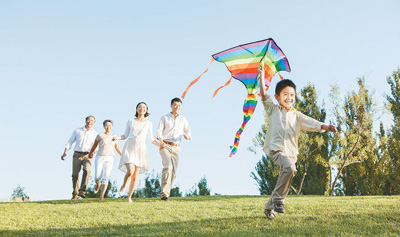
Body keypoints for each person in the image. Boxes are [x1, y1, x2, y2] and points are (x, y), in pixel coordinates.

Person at [258, 67, 337, 219]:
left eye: (292, 95)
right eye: (285, 95)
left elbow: (312, 123)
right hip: (277, 150)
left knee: (289, 171)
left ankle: (269, 207)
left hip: (291, 153)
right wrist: (261, 75)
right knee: (289, 168)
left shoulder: (297, 116)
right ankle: (279, 202)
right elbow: (263, 94)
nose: (289, 98)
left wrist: (326, 127)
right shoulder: (273, 110)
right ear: (277, 96)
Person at [114, 102, 159, 203]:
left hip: (140, 148)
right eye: (140, 107)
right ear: (136, 109)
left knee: (135, 176)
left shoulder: (149, 123)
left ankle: (129, 197)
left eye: (144, 107)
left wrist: (160, 144)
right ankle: (124, 185)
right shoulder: (130, 121)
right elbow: (125, 135)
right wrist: (117, 137)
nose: (141, 109)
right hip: (130, 146)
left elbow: (151, 139)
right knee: (130, 171)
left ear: (146, 110)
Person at [156, 97, 191, 201]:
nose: (177, 107)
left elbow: (189, 132)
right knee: (168, 167)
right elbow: (159, 132)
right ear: (171, 106)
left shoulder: (183, 119)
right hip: (165, 145)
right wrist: (161, 142)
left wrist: (187, 136)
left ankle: (167, 192)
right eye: (175, 105)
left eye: (179, 106)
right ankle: (164, 194)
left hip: (176, 147)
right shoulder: (164, 118)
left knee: (174, 171)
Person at [61, 115, 98, 200]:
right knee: (75, 175)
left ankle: (82, 191)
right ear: (85, 121)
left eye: (92, 121)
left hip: (88, 155)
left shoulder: (95, 134)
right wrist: (65, 152)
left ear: (94, 123)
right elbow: (70, 142)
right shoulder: (77, 131)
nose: (90, 122)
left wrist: (93, 152)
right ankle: (75, 193)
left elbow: (97, 146)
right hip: (77, 154)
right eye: (88, 120)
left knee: (87, 170)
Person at [89, 120, 122, 201]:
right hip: (100, 157)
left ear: (112, 127)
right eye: (106, 125)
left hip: (109, 158)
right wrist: (90, 153)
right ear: (104, 126)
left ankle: (101, 196)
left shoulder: (114, 136)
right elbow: (94, 146)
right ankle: (97, 183)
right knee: (97, 177)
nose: (108, 127)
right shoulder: (100, 135)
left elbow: (117, 147)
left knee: (105, 177)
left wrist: (123, 155)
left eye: (110, 125)